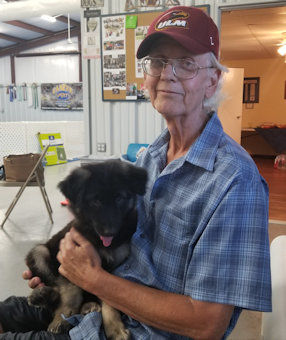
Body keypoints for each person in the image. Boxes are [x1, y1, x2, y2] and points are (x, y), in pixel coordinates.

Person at [0, 6, 271, 340]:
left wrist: (93, 279)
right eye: (158, 61)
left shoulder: (234, 181)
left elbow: (206, 324)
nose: (167, 74)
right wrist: (66, 266)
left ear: (212, 79)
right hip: (94, 302)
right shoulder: (152, 156)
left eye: (186, 63)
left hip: (134, 330)